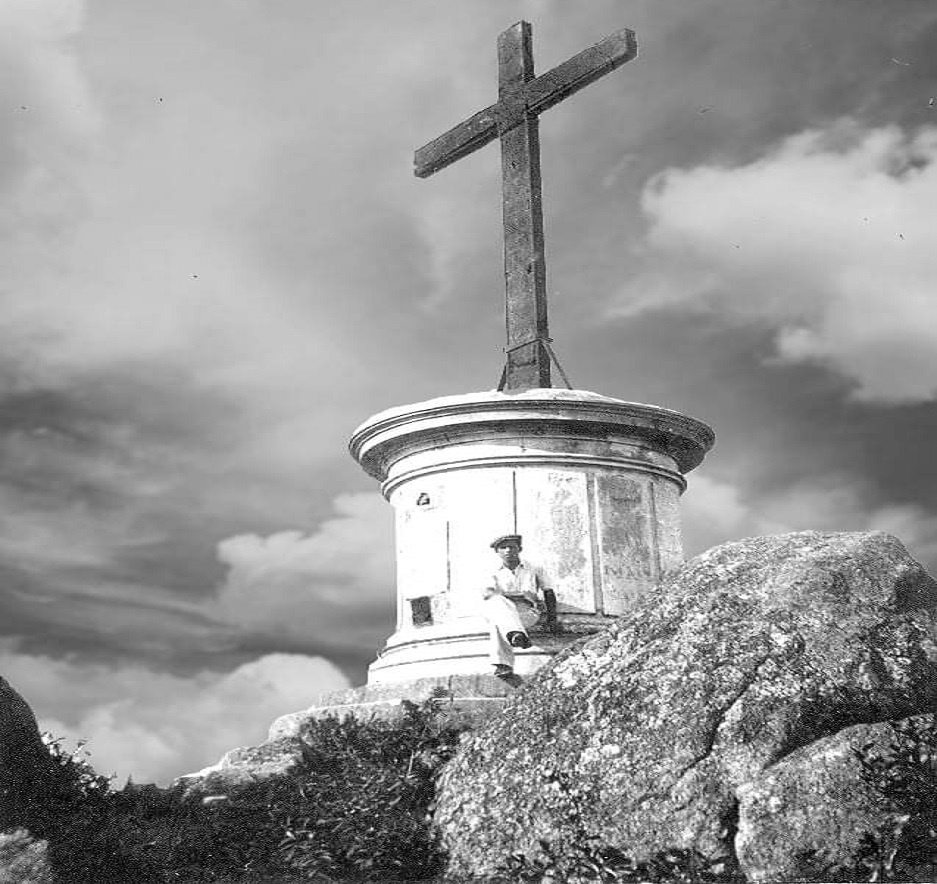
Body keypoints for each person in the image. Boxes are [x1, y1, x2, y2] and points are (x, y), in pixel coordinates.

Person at [480, 534, 558, 677]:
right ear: (497, 552)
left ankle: (503, 663)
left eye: (512, 547)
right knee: (497, 604)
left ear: (519, 549)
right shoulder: (492, 572)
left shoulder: (534, 569)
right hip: (504, 611)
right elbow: (488, 594)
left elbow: (548, 591)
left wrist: (552, 619)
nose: (508, 550)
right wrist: (522, 594)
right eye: (503, 547)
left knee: (498, 619)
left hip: (526, 612)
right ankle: (516, 635)